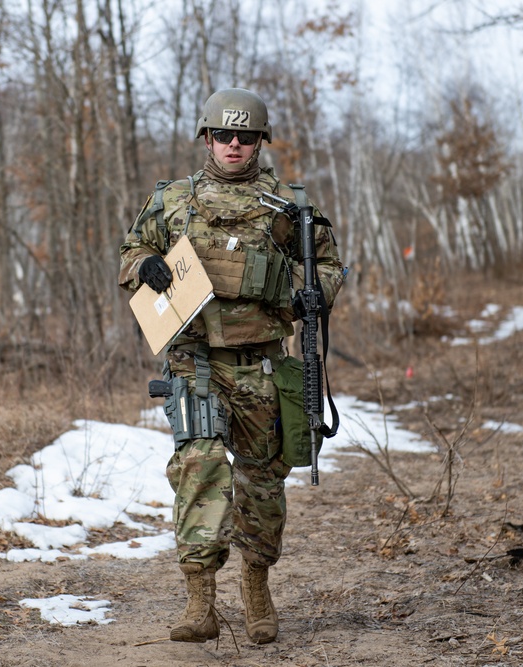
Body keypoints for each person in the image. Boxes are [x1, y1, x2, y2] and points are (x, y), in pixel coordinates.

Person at [118, 88, 344, 644]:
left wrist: (293, 290)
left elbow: (329, 271)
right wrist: (145, 264)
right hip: (195, 363)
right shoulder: (173, 201)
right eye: (223, 135)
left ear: (260, 141)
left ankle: (256, 587)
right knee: (199, 468)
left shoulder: (288, 206)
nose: (234, 145)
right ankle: (200, 601)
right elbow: (128, 255)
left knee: (263, 484)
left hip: (262, 366)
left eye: (246, 136)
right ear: (206, 138)